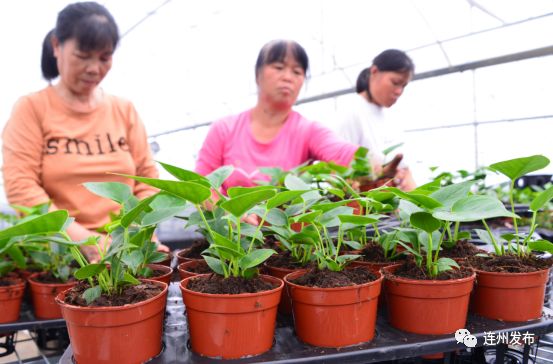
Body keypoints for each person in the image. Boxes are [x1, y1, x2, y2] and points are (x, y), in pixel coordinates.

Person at [2, 1, 167, 261]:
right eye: (82, 55)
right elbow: (22, 187)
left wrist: (134, 235)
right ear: (57, 46)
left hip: (127, 246)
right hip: (61, 253)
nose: (94, 68)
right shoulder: (32, 108)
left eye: (104, 58)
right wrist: (86, 241)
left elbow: (147, 179)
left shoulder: (124, 110)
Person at [195, 39, 390, 194]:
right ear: (257, 75)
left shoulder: (307, 130)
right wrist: (228, 211)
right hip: (230, 234)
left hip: (286, 238)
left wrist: (378, 164)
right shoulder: (224, 129)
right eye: (279, 67)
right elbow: (201, 184)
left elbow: (340, 152)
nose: (288, 77)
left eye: (297, 71)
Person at [336, 49, 417, 191]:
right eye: (395, 82)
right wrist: (377, 176)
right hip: (367, 207)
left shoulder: (390, 115)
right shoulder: (352, 111)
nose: (399, 91)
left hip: (392, 206)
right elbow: (338, 174)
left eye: (403, 85)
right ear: (374, 72)